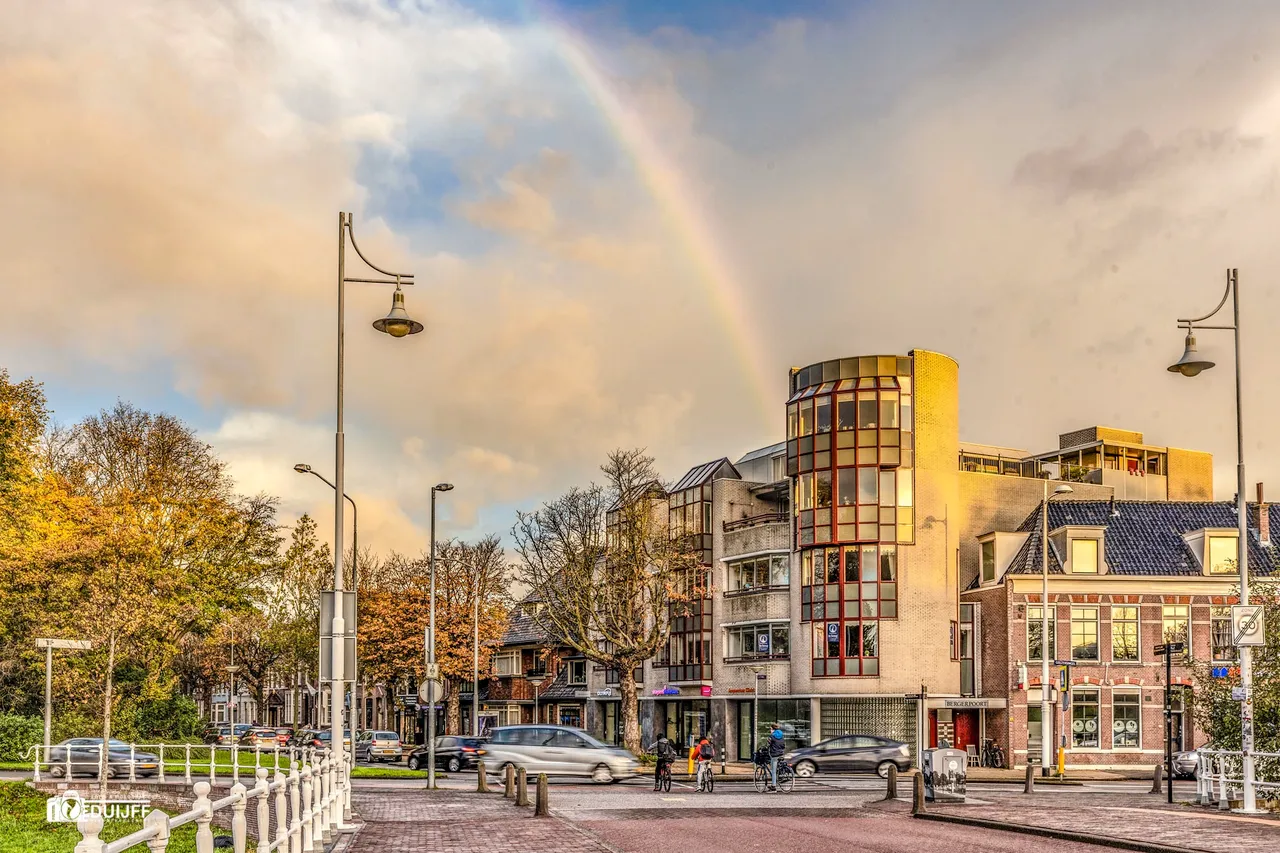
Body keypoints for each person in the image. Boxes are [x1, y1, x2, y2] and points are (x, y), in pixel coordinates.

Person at [767, 726, 786, 790]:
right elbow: (783, 745)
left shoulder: (771, 736)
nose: (770, 731)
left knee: (773, 771)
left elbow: (768, 744)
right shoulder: (781, 735)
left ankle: (773, 786)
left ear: (773, 729)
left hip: (774, 754)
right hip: (781, 753)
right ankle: (779, 777)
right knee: (777, 766)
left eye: (771, 729)